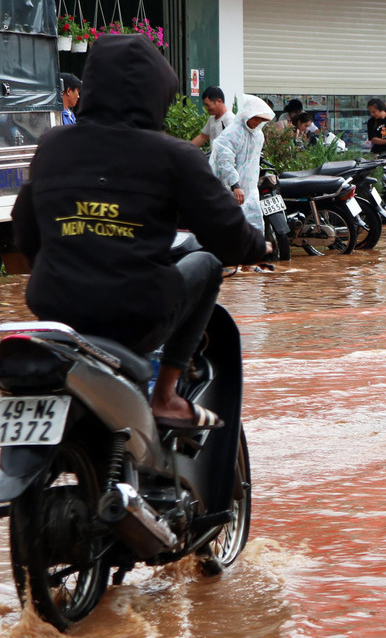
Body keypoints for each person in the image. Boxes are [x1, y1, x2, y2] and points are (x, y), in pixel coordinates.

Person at [12, 35, 267, 429]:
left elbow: (26, 233)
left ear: (91, 86)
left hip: (54, 312)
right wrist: (257, 245)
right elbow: (227, 235)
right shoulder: (172, 155)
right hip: (133, 317)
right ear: (158, 93)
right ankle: (165, 396)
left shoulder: (52, 146)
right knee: (208, 264)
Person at [211, 95, 275, 272]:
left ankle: (250, 263)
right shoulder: (231, 134)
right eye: (256, 118)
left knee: (254, 224)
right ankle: (229, 264)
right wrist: (235, 185)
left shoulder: (258, 137)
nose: (257, 122)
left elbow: (253, 162)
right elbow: (225, 162)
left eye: (261, 120)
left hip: (250, 189)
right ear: (247, 115)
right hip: (229, 189)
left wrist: (246, 187)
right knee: (231, 227)